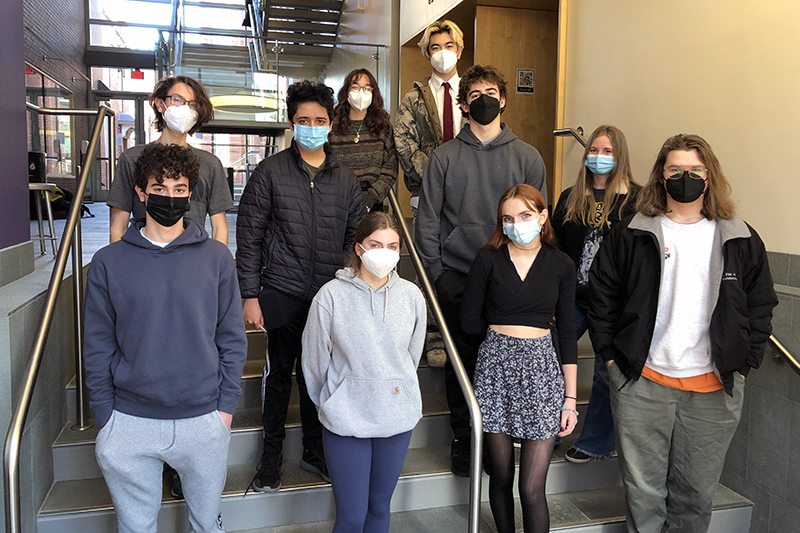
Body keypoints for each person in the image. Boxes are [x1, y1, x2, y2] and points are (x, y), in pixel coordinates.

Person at [589, 134, 777, 533]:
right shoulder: (633, 232)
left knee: (695, 495)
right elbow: (601, 294)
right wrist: (609, 357)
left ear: (709, 177)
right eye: (675, 170)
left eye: (695, 170)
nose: (685, 177)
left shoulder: (739, 236)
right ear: (661, 175)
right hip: (643, 383)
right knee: (643, 494)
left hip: (713, 389)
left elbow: (761, 303)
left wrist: (746, 362)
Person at [84, 143, 247, 533]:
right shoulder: (108, 263)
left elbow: (232, 337)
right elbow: (96, 345)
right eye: (160, 188)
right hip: (129, 420)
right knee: (136, 527)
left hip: (203, 417)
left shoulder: (217, 258)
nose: (170, 197)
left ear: (191, 194)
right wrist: (106, 417)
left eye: (179, 189)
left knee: (207, 525)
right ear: (141, 193)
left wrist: (224, 407)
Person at [416, 64, 547, 477]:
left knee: (503, 361)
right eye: (474, 94)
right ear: (464, 103)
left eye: (491, 92)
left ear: (503, 99)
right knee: (463, 359)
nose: (484, 100)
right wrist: (437, 273)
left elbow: (537, 219)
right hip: (457, 274)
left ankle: (498, 440)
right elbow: (428, 219)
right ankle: (463, 437)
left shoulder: (528, 156)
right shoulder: (444, 156)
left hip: (512, 275)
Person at [236, 80, 366, 493]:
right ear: (292, 123)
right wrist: (249, 295)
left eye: (320, 120)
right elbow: (249, 237)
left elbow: (354, 237)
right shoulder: (270, 172)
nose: (312, 126)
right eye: (303, 120)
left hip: (329, 296)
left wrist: (346, 285)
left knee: (321, 378)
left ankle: (315, 450)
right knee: (279, 378)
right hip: (280, 291)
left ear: (330, 124)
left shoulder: (345, 179)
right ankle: (270, 458)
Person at [461, 184, 577, 533]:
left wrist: (570, 400)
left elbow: (568, 332)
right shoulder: (487, 259)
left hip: (542, 370)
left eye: (525, 215)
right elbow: (467, 321)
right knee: (500, 476)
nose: (516, 224)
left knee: (530, 487)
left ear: (543, 217)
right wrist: (499, 335)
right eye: (508, 218)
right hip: (494, 371)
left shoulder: (561, 264)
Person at [302, 212, 427, 533]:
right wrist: (332, 401)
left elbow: (409, 359)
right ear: (359, 248)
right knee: (351, 516)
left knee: (379, 508)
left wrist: (396, 387)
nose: (385, 252)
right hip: (346, 420)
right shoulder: (330, 296)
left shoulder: (412, 297)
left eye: (393, 245)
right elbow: (314, 361)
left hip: (396, 419)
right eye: (376, 244)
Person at [550, 125, 640, 463]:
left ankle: (596, 442)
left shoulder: (638, 200)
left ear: (620, 156)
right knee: (555, 356)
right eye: (593, 151)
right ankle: (548, 427)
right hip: (574, 295)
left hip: (614, 302)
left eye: (607, 152)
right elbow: (556, 248)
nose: (598, 158)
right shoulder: (571, 196)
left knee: (605, 370)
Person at [108, 75, 233, 245]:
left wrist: (218, 266)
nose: (185, 108)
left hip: (193, 257)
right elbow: (118, 224)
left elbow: (219, 226)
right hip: (144, 255)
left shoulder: (210, 164)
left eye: (192, 104)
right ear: (160, 104)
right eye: (177, 100)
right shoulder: (132, 159)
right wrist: (118, 264)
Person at [394, 19, 467, 215]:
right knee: (425, 245)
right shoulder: (412, 99)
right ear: (428, 55)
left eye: (449, 46)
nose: (443, 52)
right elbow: (404, 145)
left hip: (467, 191)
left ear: (459, 52)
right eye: (436, 47)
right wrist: (436, 174)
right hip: (425, 191)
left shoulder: (473, 95)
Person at [329, 69, 398, 213]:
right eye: (355, 87)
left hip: (372, 202)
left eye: (367, 88)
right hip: (337, 200)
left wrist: (370, 197)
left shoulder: (383, 127)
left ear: (374, 93)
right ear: (346, 91)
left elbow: (390, 168)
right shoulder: (332, 127)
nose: (361, 92)